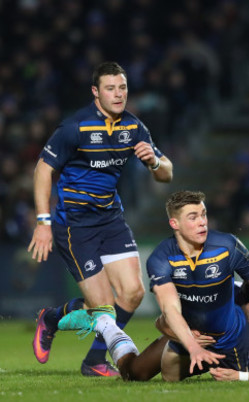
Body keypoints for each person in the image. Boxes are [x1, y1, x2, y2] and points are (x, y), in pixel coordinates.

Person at [57, 190, 249, 382]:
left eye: (204, 215)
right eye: (193, 217)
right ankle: (104, 323)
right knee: (134, 374)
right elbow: (167, 314)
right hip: (189, 336)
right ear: (175, 224)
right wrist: (190, 342)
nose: (202, 222)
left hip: (228, 342)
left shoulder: (228, 247)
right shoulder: (161, 258)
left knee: (242, 367)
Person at [29, 61, 173, 376]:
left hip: (110, 218)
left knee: (133, 293)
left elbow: (167, 173)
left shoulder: (134, 127)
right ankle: (52, 319)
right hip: (75, 224)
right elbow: (43, 169)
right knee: (102, 308)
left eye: (122, 87)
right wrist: (43, 222)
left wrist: (154, 163)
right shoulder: (75, 126)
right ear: (96, 92)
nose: (118, 94)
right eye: (110, 88)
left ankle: (93, 360)